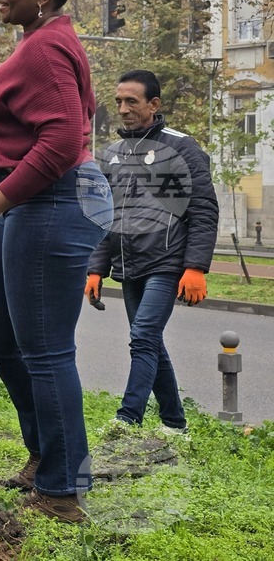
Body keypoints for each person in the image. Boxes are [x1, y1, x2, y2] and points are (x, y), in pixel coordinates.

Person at [0, 0, 113, 523]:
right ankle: (47, 451)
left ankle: (62, 489)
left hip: (53, 199)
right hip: (31, 198)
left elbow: (63, 141)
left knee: (46, 350)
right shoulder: (39, 41)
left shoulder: (46, 48)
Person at [86, 70, 218, 434]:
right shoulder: (114, 154)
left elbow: (202, 209)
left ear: (153, 104)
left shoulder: (180, 147)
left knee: (143, 336)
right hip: (129, 263)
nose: (123, 109)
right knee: (150, 342)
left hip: (167, 261)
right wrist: (95, 268)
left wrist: (195, 267)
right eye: (118, 102)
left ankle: (127, 418)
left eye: (132, 101)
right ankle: (175, 423)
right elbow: (106, 215)